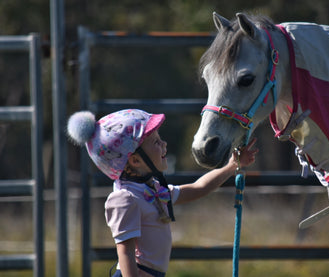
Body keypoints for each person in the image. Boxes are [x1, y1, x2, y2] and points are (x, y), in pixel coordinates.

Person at [67, 109, 258, 277]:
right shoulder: (125, 199)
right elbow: (125, 252)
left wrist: (233, 165)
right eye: (156, 142)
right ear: (135, 160)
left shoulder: (151, 189)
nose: (164, 144)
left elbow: (197, 188)